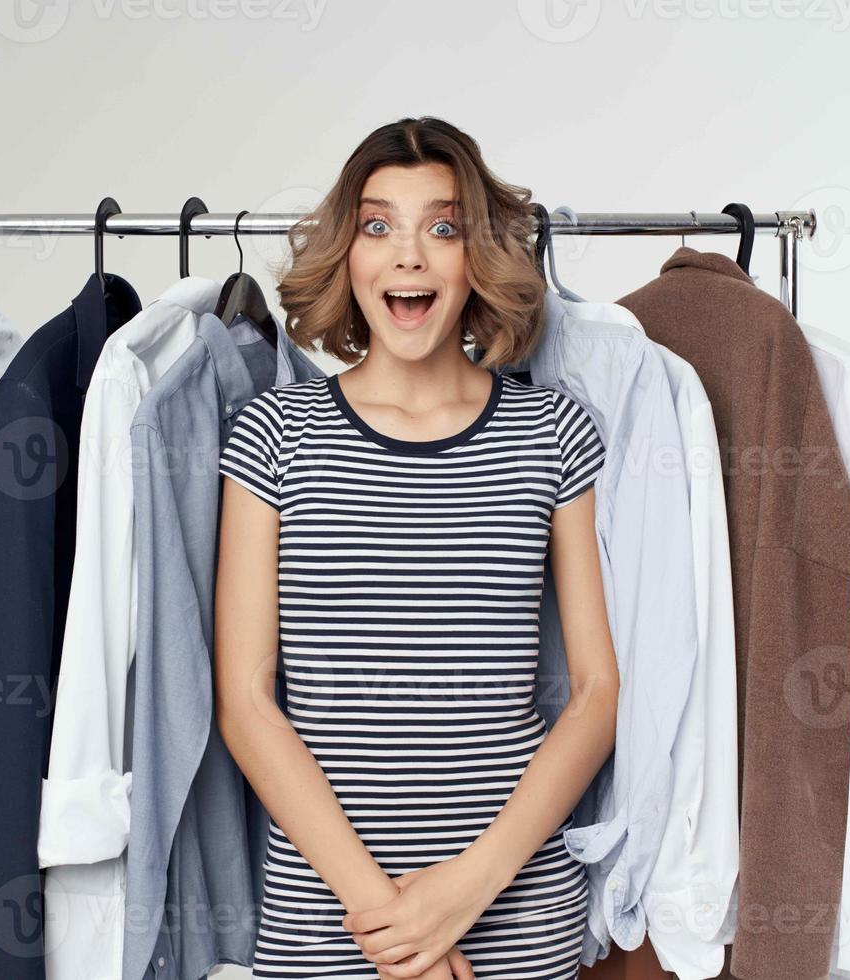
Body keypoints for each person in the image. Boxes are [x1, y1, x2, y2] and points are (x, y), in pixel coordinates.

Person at [215, 116, 619, 980]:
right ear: (348, 254)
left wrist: (469, 887)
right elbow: (247, 701)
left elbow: (595, 691)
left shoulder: (552, 432)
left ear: (477, 257)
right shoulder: (274, 436)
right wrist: (393, 927)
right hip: (333, 924)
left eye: (441, 228)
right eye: (377, 225)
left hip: (515, 918)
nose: (408, 256)